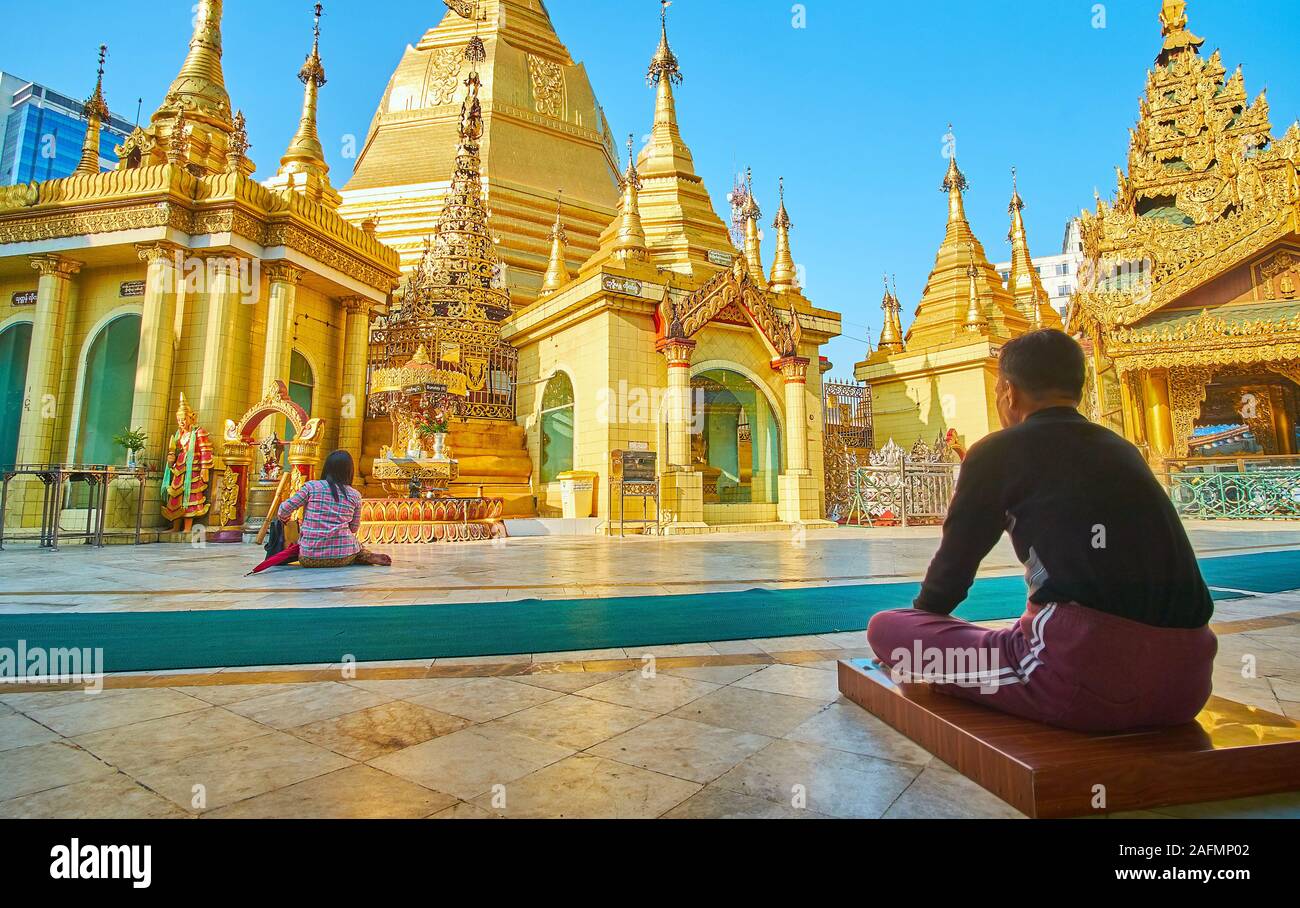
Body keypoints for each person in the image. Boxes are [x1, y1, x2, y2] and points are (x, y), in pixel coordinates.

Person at [866, 329, 1216, 732]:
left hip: (1080, 678)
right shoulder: (1121, 448)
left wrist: (919, 632)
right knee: (999, 633)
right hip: (1188, 683)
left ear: (1009, 393)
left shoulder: (997, 450)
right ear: (1078, 391)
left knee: (887, 627)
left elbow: (953, 570)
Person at [277, 450, 391, 568]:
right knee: (356, 546)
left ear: (326, 468)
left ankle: (359, 553)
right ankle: (365, 555)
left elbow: (283, 510)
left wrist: (285, 520)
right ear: (350, 471)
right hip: (343, 556)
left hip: (309, 557)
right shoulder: (354, 495)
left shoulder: (311, 487)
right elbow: (353, 528)